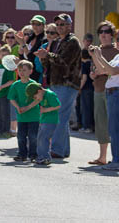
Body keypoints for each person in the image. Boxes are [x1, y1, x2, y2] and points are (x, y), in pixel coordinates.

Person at [35, 14, 81, 159]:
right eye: (58, 25)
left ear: (69, 25)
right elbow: (49, 65)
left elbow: (64, 61)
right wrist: (43, 58)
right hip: (55, 82)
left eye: (63, 24)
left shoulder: (72, 42)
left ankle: (57, 149)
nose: (60, 27)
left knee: (59, 116)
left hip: (67, 83)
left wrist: (46, 55)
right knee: (62, 116)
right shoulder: (56, 42)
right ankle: (63, 149)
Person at [90, 29, 119, 171]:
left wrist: (99, 55)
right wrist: (94, 56)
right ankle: (116, 159)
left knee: (114, 129)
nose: (116, 42)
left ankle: (118, 161)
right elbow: (102, 70)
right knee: (114, 129)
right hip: (112, 93)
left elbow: (113, 71)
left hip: (117, 94)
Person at [87, 21, 119, 166]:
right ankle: (102, 157)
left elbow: (106, 70)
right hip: (98, 89)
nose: (104, 34)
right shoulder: (96, 50)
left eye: (107, 32)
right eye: (101, 32)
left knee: (114, 125)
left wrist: (97, 66)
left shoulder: (118, 51)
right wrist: (92, 74)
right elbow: (95, 70)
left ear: (112, 35)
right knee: (100, 124)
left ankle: (117, 157)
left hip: (113, 91)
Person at [8, 60, 40, 161]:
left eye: (24, 70)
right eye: (20, 70)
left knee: (33, 136)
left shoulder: (34, 84)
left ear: (30, 71)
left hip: (33, 116)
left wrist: (27, 107)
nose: (22, 72)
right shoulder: (16, 85)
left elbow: (38, 99)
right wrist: (17, 107)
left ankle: (33, 154)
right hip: (21, 116)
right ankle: (22, 154)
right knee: (21, 136)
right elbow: (11, 98)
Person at [25, 82, 61, 165]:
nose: (35, 99)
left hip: (51, 121)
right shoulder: (42, 96)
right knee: (40, 138)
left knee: (43, 138)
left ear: (39, 91)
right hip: (44, 120)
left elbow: (58, 105)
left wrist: (46, 110)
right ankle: (41, 156)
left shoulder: (50, 94)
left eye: (35, 96)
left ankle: (45, 157)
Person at [0, 45, 16, 138]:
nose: (3, 56)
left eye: (6, 55)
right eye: (2, 55)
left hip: (5, 93)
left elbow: (11, 80)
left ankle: (6, 131)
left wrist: (2, 86)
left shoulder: (9, 67)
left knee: (5, 113)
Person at [20, 15, 47, 82]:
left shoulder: (44, 39)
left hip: (36, 74)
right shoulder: (31, 37)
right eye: (33, 23)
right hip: (25, 73)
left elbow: (32, 57)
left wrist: (23, 44)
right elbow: (22, 55)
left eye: (38, 24)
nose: (35, 26)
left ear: (43, 26)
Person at [79, 49, 94, 133]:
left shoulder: (84, 65)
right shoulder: (92, 63)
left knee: (85, 109)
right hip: (93, 88)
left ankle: (86, 127)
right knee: (91, 108)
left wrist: (79, 88)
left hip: (86, 89)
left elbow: (84, 78)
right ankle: (91, 126)